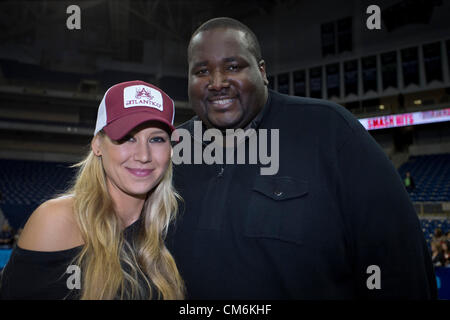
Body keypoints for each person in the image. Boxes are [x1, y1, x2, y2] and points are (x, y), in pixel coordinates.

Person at [167, 17, 437, 299]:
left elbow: (400, 262)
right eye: (201, 71)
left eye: (233, 67)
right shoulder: (171, 150)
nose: (217, 82)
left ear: (262, 72)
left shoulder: (330, 131)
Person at [0, 80, 185, 299]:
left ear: (170, 150)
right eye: (127, 137)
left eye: (156, 139)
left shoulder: (174, 225)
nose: (143, 155)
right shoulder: (58, 221)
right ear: (97, 144)